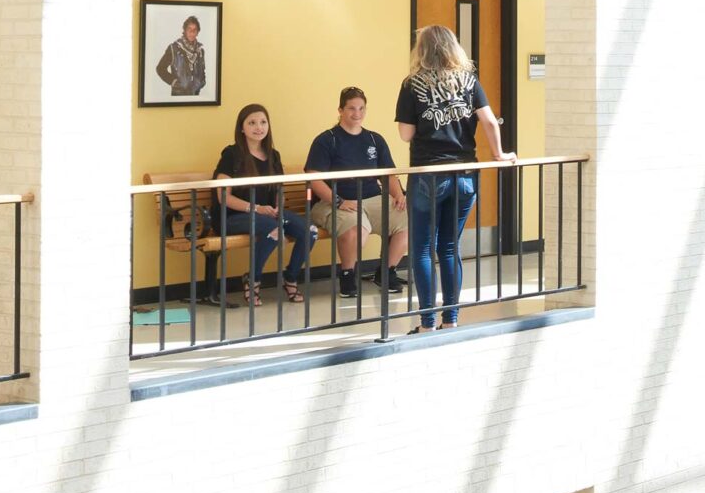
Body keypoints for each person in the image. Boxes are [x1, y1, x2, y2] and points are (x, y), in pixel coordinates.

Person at [394, 25, 510, 333]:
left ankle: (427, 323)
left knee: (421, 248)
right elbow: (488, 120)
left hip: (428, 175)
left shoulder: (412, 84)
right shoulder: (469, 81)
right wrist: (499, 154)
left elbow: (405, 134)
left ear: (421, 50)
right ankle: (452, 319)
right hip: (465, 175)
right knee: (449, 246)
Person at [305, 87, 408, 301]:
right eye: (351, 108)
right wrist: (338, 201)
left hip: (373, 199)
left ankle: (386, 272)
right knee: (357, 229)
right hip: (333, 201)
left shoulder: (374, 139)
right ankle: (347, 275)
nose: (357, 113)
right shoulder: (327, 140)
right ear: (341, 110)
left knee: (410, 220)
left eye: (361, 108)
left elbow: (389, 174)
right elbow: (314, 178)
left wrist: (399, 195)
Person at [213, 104, 314, 307]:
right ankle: (252, 280)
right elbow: (224, 198)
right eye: (251, 123)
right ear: (242, 128)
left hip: (265, 214)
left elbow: (278, 190)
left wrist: (278, 206)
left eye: (263, 122)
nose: (258, 127)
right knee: (274, 230)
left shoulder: (273, 155)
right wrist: (257, 208)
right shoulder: (231, 154)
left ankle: (291, 278)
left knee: (309, 231)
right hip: (233, 216)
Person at [156, 14, 208, 98]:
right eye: (189, 29)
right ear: (185, 30)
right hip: (178, 96)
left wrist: (201, 82)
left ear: (198, 32)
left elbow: (202, 70)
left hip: (196, 96)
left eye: (195, 30)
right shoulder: (174, 48)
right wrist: (173, 81)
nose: (192, 32)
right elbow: (160, 68)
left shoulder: (200, 51)